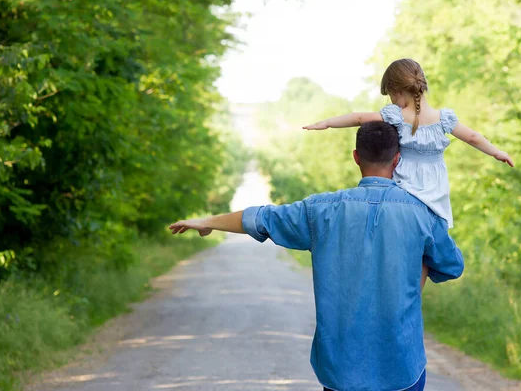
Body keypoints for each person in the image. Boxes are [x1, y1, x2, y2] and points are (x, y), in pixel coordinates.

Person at [169, 121, 464, 391]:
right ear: (398, 160)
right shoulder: (423, 214)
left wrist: (207, 221)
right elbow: (452, 266)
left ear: (356, 157)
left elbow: (261, 218)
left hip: (341, 369)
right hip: (401, 366)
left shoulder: (320, 210)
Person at [303, 58, 514, 228]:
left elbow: (358, 118)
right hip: (435, 188)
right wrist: (497, 152)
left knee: (397, 225)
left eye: (390, 96)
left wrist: (327, 123)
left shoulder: (396, 116)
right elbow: (473, 137)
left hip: (404, 186)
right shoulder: (443, 119)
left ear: (397, 92)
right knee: (428, 237)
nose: (392, 102)